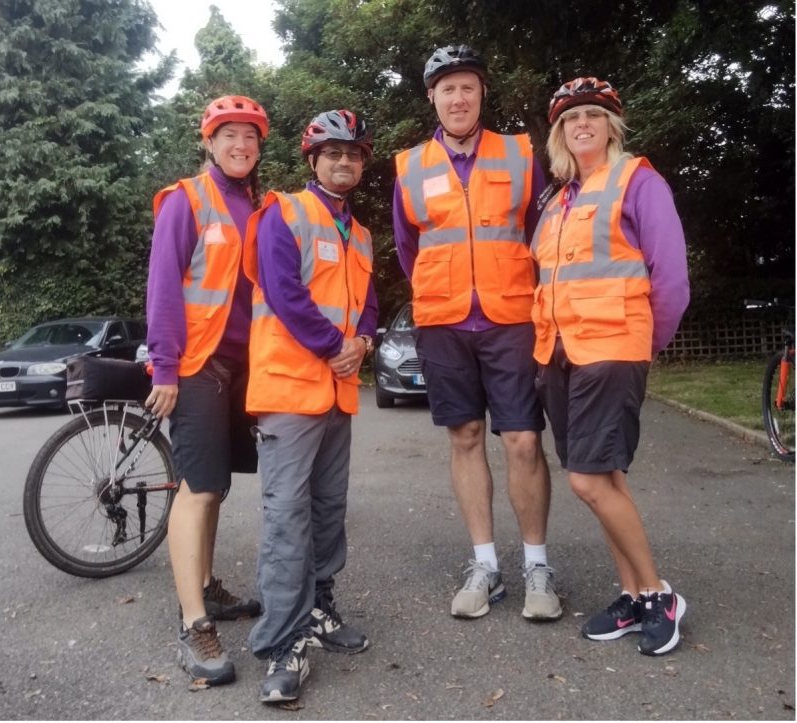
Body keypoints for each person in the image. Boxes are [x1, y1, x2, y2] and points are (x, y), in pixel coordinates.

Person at [393, 45, 561, 622]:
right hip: (443, 321)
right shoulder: (409, 165)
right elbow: (406, 248)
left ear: (482, 93)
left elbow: (544, 235)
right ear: (432, 98)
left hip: (510, 316)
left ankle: (537, 566)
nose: (457, 98)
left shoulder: (519, 154)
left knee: (522, 441)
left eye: (467, 86)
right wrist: (443, 291)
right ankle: (485, 565)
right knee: (464, 436)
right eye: (447, 89)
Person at [531, 77, 690, 656]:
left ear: (611, 126)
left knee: (587, 480)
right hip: (560, 354)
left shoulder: (639, 181)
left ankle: (657, 595)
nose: (583, 125)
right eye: (572, 119)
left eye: (594, 115)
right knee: (606, 480)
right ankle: (629, 593)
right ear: (560, 134)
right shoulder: (557, 200)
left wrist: (642, 344)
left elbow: (670, 278)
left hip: (612, 350)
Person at [243, 109, 378, 703]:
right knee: (287, 518)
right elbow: (283, 291)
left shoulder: (362, 233)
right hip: (290, 389)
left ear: (361, 163)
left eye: (353, 154)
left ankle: (319, 608)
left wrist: (365, 343)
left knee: (327, 508)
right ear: (314, 161)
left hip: (338, 389)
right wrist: (335, 348)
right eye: (332, 153)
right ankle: (283, 644)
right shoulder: (284, 211)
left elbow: (369, 302)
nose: (343, 161)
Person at [145, 95, 267, 685]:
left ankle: (206, 587)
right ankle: (194, 624)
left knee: (215, 488)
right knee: (195, 489)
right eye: (229, 136)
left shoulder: (260, 204)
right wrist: (164, 368)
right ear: (210, 143)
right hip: (196, 365)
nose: (240, 145)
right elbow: (164, 285)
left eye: (249, 136)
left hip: (244, 368)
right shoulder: (187, 200)